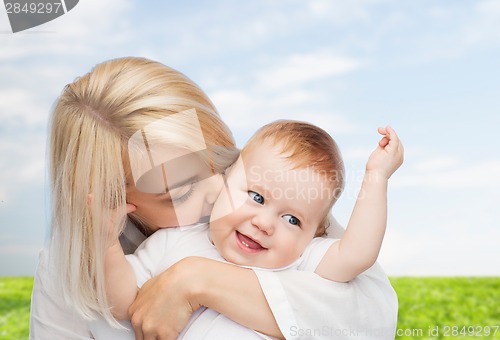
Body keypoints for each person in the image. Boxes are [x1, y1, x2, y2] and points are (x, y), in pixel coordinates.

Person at [30, 56, 398, 340]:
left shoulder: (272, 192)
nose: (216, 189)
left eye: (220, 161)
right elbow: (121, 302)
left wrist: (196, 280)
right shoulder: (74, 259)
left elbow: (371, 315)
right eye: (182, 191)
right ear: (115, 201)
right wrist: (105, 246)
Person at [102, 120, 403, 339]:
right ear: (225, 179)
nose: (264, 223)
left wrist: (376, 177)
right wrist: (106, 245)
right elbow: (124, 303)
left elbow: (358, 253)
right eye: (256, 197)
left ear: (317, 232)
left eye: (292, 220)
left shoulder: (302, 261)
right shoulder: (173, 241)